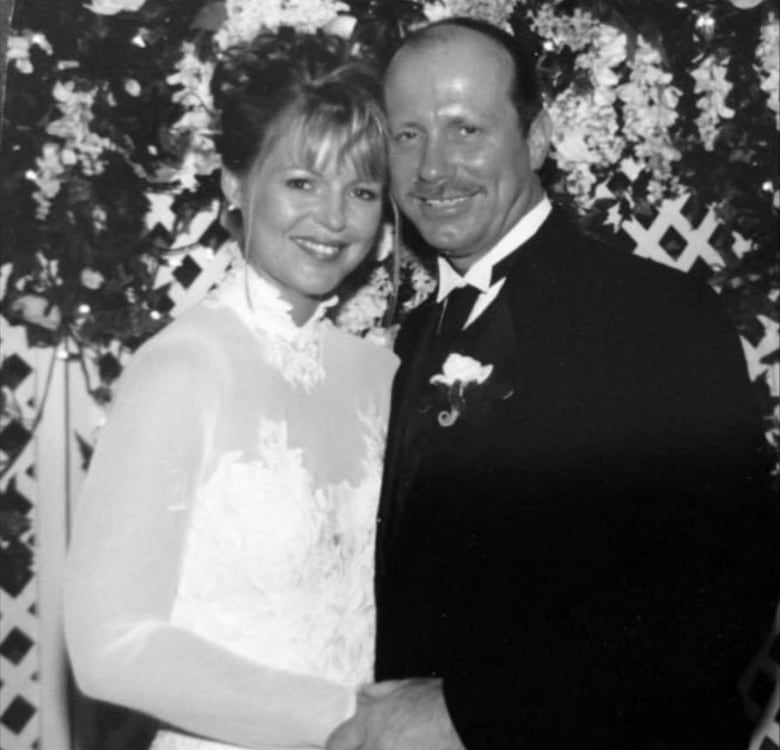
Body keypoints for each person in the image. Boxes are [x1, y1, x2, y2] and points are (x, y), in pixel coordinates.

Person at [327, 16, 777, 750]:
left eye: (466, 129)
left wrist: (468, 712)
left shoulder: (654, 315)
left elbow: (719, 604)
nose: (432, 168)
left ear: (535, 139)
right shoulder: (415, 339)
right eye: (408, 135)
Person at [64, 28, 398, 750]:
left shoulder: (384, 379)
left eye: (362, 189)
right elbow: (109, 645)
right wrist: (354, 722)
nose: (334, 218)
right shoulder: (184, 369)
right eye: (302, 182)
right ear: (235, 186)